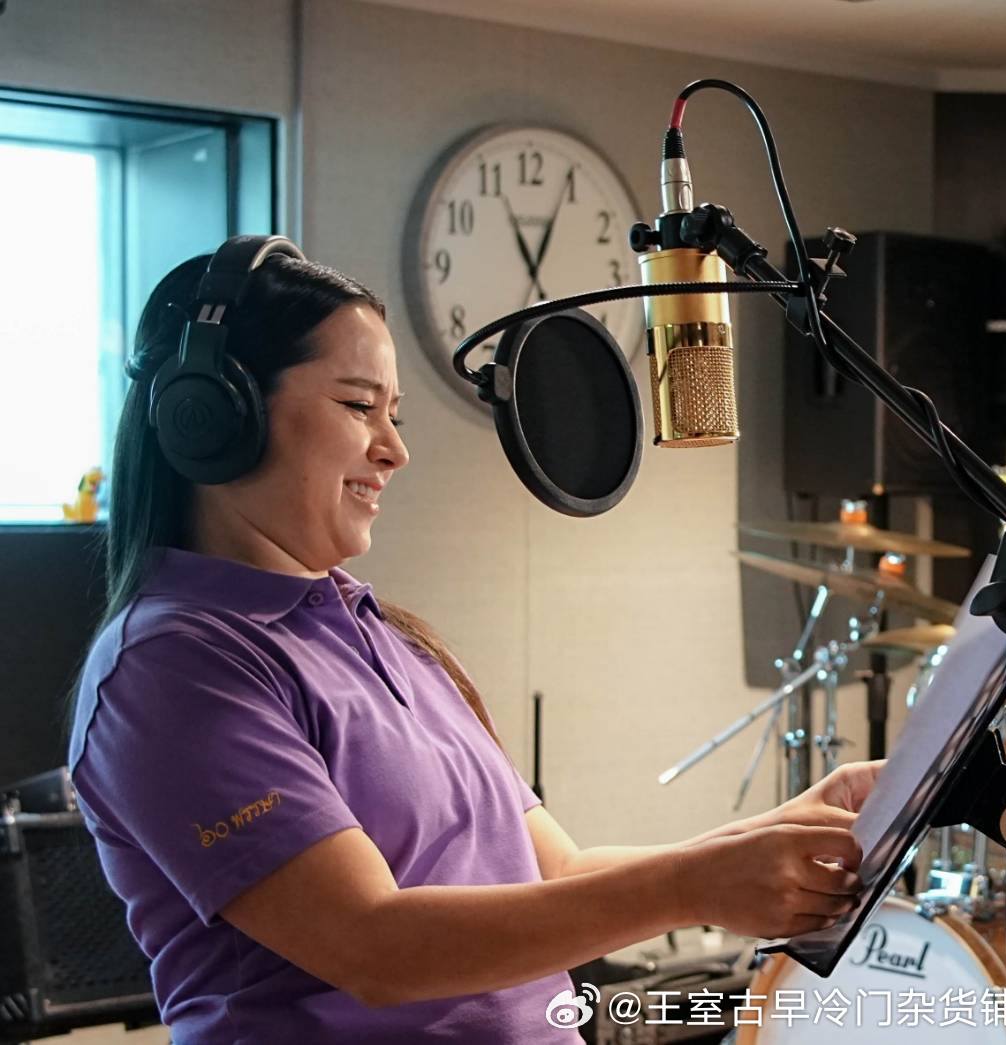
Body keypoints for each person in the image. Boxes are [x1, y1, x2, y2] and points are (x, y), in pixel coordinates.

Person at [67, 240, 880, 1043]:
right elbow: (373, 945)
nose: (394, 449)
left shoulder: (386, 636)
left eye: (393, 414)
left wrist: (773, 837)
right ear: (212, 413)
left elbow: (557, 874)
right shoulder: (170, 667)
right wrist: (691, 886)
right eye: (358, 406)